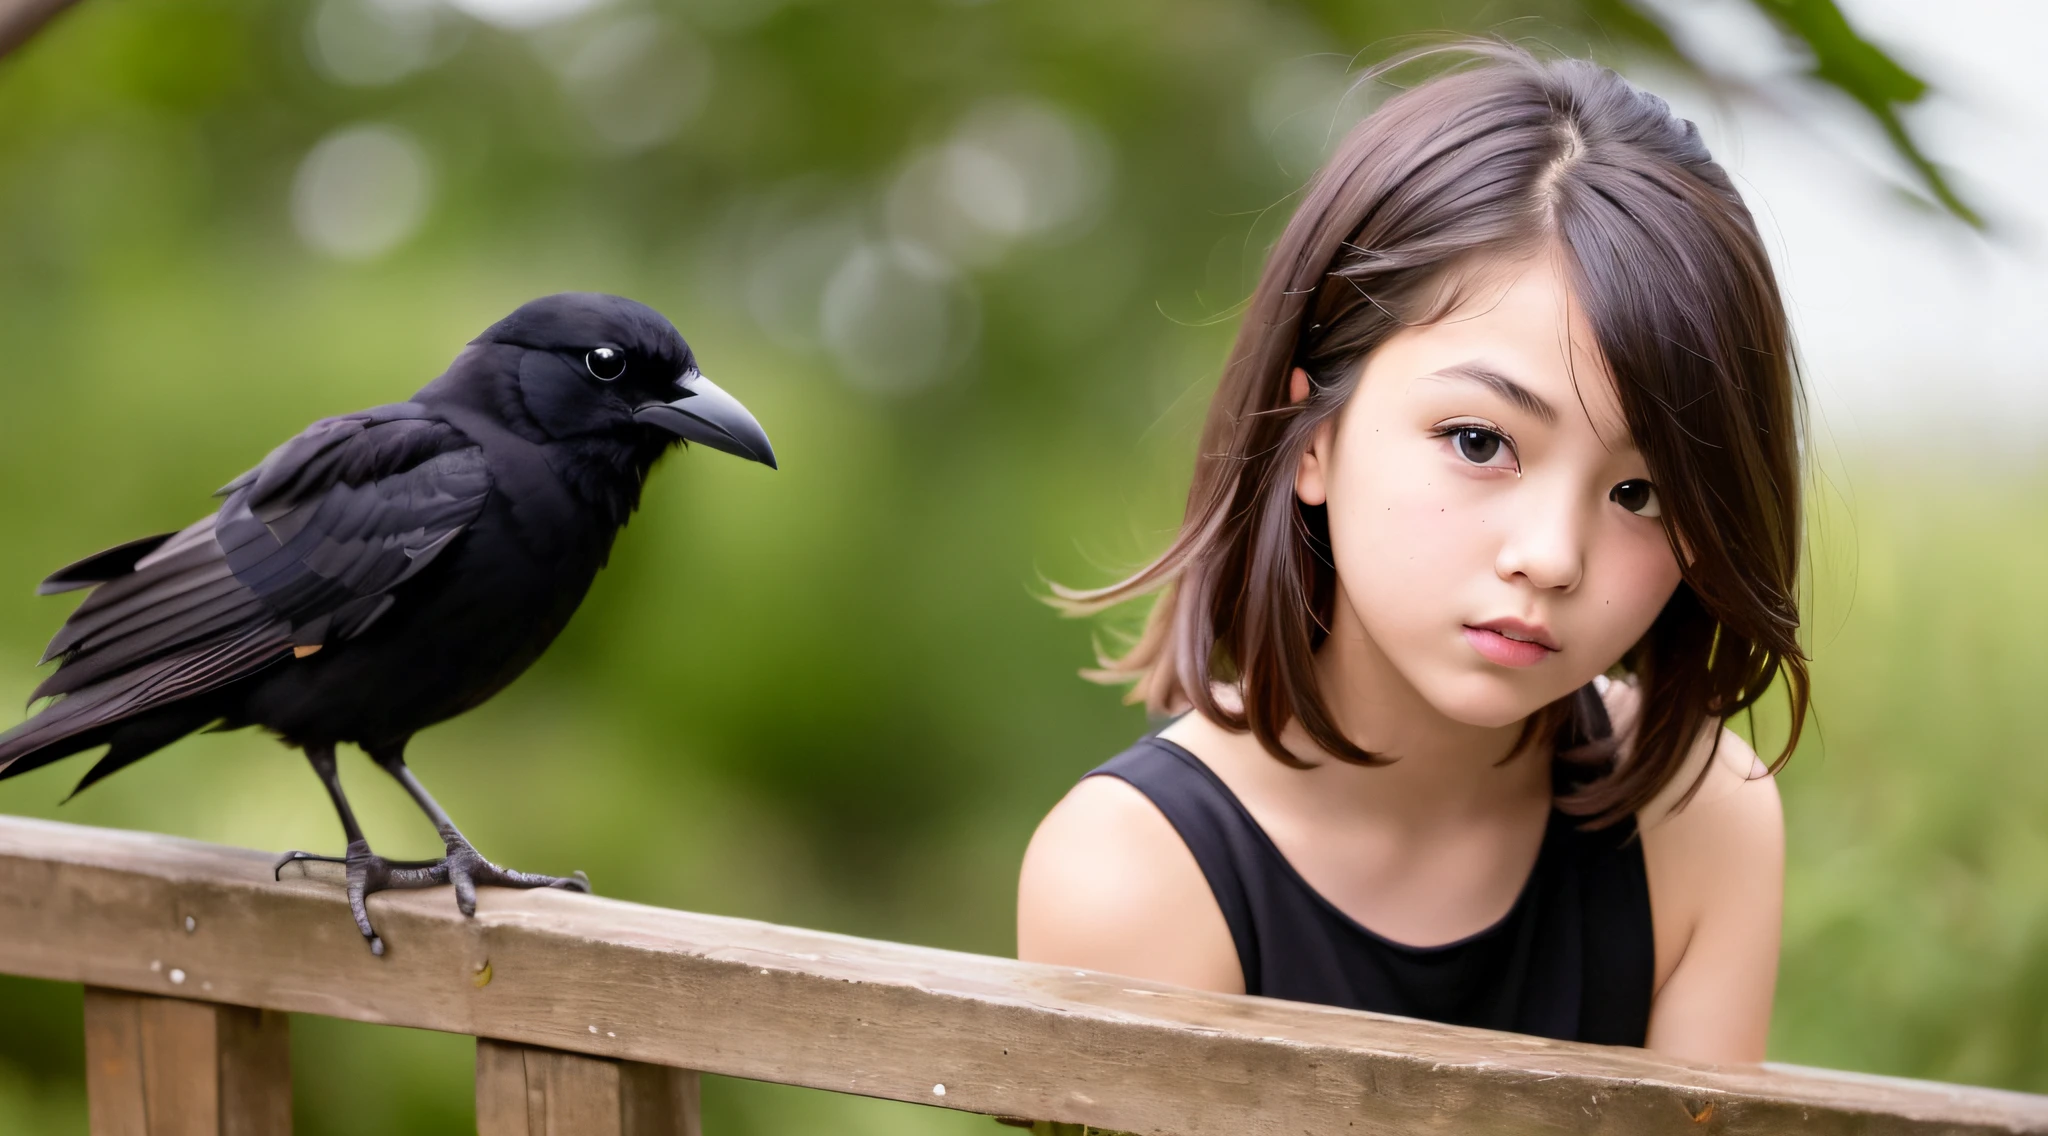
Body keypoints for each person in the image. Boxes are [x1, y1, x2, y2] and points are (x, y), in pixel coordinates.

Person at [1017, 44, 1805, 1063]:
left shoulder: (1695, 816)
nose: (1549, 554)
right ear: (1313, 438)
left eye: (1638, 492)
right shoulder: (1131, 874)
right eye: (1479, 442)